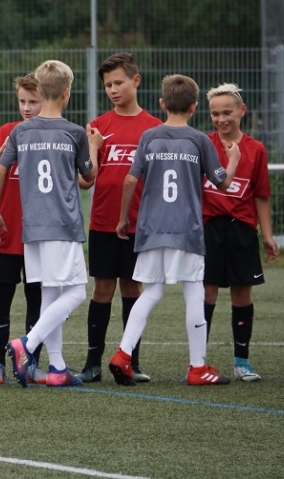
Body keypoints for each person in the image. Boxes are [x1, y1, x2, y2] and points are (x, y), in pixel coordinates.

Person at [108, 74, 239, 387]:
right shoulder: (199, 140)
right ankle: (198, 367)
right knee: (194, 291)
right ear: (194, 106)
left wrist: (124, 218)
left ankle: (123, 354)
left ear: (162, 104)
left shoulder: (149, 137)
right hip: (186, 230)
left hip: (151, 229)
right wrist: (233, 158)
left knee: (151, 292)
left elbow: (130, 179)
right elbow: (223, 182)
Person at [0, 60, 100, 388]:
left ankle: (57, 367)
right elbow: (89, 175)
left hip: (32, 226)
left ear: (40, 90)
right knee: (77, 292)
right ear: (66, 93)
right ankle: (27, 343)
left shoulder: (21, 131)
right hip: (62, 223)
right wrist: (94, 146)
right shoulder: (74, 132)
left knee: (50, 294)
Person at [76, 52, 162, 383]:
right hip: (103, 222)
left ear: (136, 81)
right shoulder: (97, 127)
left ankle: (131, 362)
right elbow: (86, 180)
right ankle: (92, 363)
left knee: (132, 288)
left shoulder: (154, 129)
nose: (113, 90)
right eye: (108, 85)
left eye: (119, 83)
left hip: (140, 224)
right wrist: (92, 146)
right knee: (102, 289)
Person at [201, 83, 278, 381]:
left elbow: (261, 195)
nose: (221, 119)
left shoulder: (256, 149)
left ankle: (242, 361)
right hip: (209, 230)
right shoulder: (203, 144)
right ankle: (198, 361)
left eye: (227, 113)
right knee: (206, 293)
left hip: (242, 231)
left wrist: (267, 235)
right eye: (215, 114)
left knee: (242, 294)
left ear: (242, 111)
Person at [0, 74, 46, 385]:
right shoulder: (7, 131)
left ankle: (31, 362)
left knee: (37, 300)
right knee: (2, 298)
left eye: (33, 101)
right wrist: (7, 145)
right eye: (22, 101)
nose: (27, 108)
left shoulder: (49, 135)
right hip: (6, 232)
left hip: (38, 234)